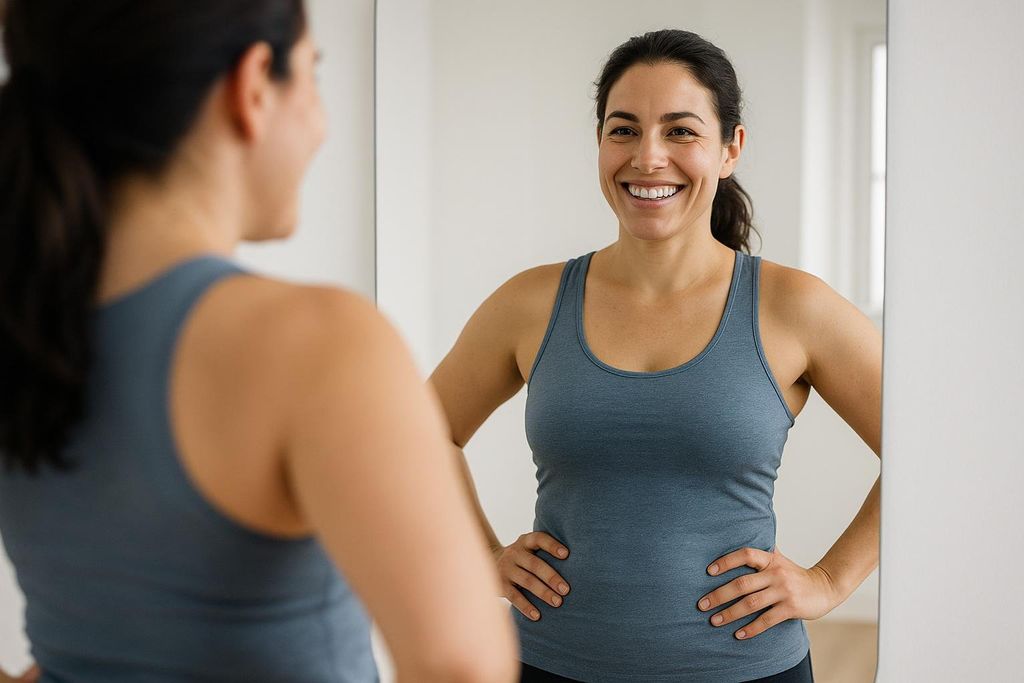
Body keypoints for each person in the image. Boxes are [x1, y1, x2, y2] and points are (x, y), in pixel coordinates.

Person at [0, 1, 517, 681]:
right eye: (313, 74)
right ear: (251, 89)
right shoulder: (319, 344)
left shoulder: (23, 324)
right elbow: (464, 667)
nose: (321, 124)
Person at [429, 29, 881, 682]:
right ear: (599, 144)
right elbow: (419, 432)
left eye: (680, 131)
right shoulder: (530, 301)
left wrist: (832, 580)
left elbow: (923, 447)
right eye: (623, 129)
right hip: (545, 664)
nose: (647, 157)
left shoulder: (792, 306)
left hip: (746, 671)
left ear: (731, 149)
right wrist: (481, 553)